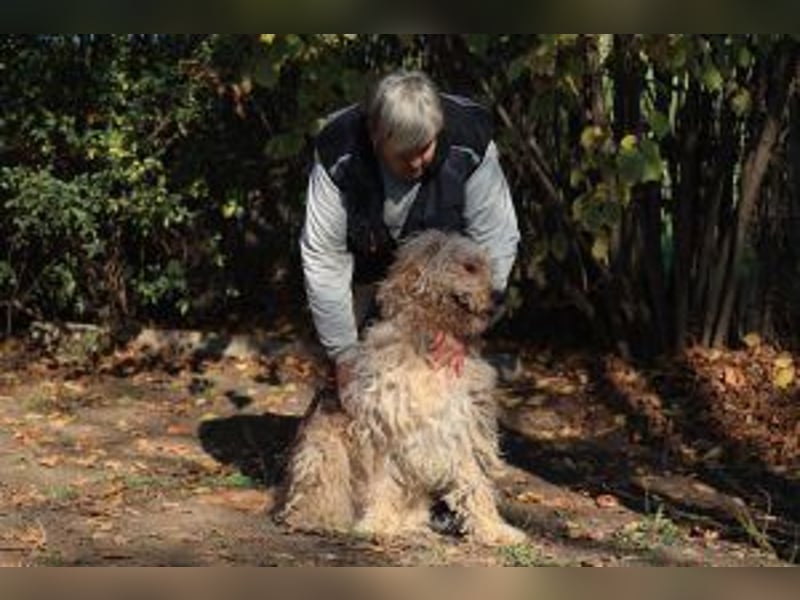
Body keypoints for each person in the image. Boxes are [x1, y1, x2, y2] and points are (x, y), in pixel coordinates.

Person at [300, 69, 520, 393]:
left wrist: (464, 333)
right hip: (364, 271)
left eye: (425, 147)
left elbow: (496, 237)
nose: (418, 163)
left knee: (445, 384)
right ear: (377, 137)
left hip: (443, 286)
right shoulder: (339, 153)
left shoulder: (469, 141)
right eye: (405, 154)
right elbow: (324, 257)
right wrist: (344, 355)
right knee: (358, 389)